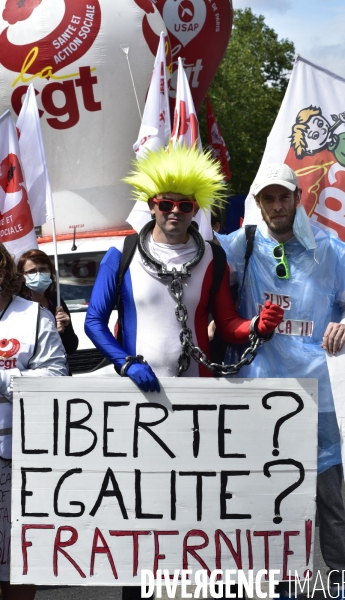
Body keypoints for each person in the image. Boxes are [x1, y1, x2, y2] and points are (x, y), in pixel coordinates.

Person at [84, 145, 284, 598]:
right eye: (165, 203)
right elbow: (94, 322)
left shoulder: (212, 257)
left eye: (185, 204)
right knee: (142, 507)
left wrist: (256, 325)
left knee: (198, 508)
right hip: (140, 402)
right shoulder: (124, 252)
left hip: (199, 400)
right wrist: (126, 362)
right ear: (152, 203)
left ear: (196, 207)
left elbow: (228, 324)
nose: (174, 212)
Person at [216, 163, 345, 600]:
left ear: (298, 198)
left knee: (329, 498)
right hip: (262, 390)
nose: (278, 206)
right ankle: (283, 580)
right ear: (258, 204)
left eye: (285, 197)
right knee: (273, 496)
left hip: (319, 392)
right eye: (268, 199)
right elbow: (193, 253)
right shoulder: (240, 247)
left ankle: (339, 578)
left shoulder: (331, 250)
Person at [0, 243, 68, 600]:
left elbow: (57, 376)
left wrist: (4, 381)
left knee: (16, 567)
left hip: (16, 459)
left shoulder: (32, 316)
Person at [17, 249, 78, 356]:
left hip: (59, 369)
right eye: (32, 271)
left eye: (43, 269)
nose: (38, 274)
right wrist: (52, 333)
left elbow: (71, 348)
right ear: (22, 276)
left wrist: (66, 328)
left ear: (50, 272)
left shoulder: (56, 300)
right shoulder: (17, 304)